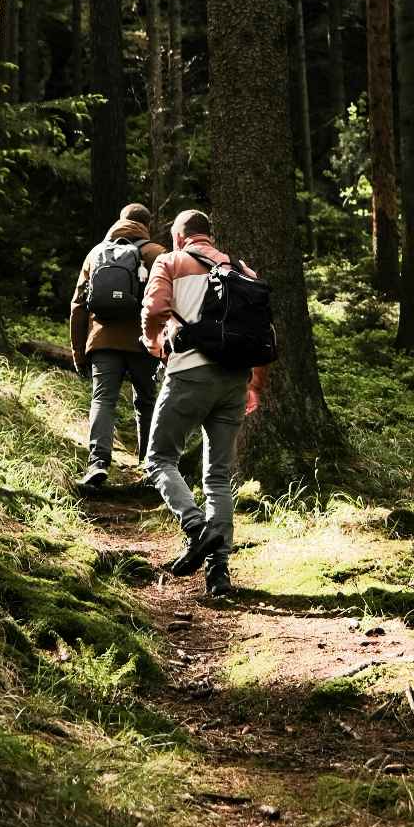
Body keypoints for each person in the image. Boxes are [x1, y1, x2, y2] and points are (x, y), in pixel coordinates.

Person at [140, 208, 267, 598]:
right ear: (209, 236)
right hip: (234, 380)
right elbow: (261, 331)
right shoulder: (242, 272)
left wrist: (154, 343)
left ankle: (197, 528)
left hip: (189, 374)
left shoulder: (170, 261)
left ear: (180, 236)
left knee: (159, 459)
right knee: (217, 476)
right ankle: (219, 575)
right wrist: (254, 385)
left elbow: (155, 309)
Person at [70, 203, 164, 490]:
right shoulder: (156, 254)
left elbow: (78, 306)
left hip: (103, 341)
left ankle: (97, 463)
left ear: (120, 221)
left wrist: (79, 351)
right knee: (146, 402)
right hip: (144, 343)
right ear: (147, 224)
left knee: (103, 400)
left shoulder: (96, 253)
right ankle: (150, 466)